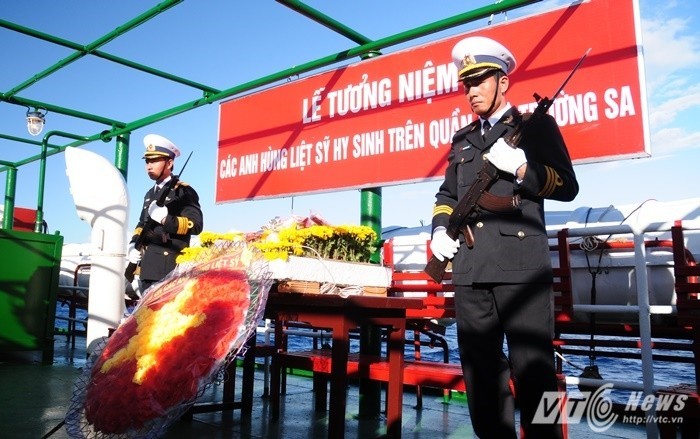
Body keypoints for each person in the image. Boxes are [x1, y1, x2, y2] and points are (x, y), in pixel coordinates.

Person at [429, 36, 579, 438]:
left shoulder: (534, 128)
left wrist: (521, 170)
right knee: (482, 380)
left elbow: (567, 185)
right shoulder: (462, 140)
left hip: (520, 272)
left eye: (480, 81)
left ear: (503, 82)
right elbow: (447, 196)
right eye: (467, 84)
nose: (472, 91)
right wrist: (439, 230)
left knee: (535, 376)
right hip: (470, 272)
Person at [127, 133, 204, 294]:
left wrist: (165, 219)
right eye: (147, 161)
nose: (149, 165)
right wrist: (134, 244)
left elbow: (196, 225)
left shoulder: (183, 191)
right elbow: (142, 224)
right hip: (147, 269)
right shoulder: (149, 194)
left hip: (169, 269)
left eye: (154, 160)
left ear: (169, 163)